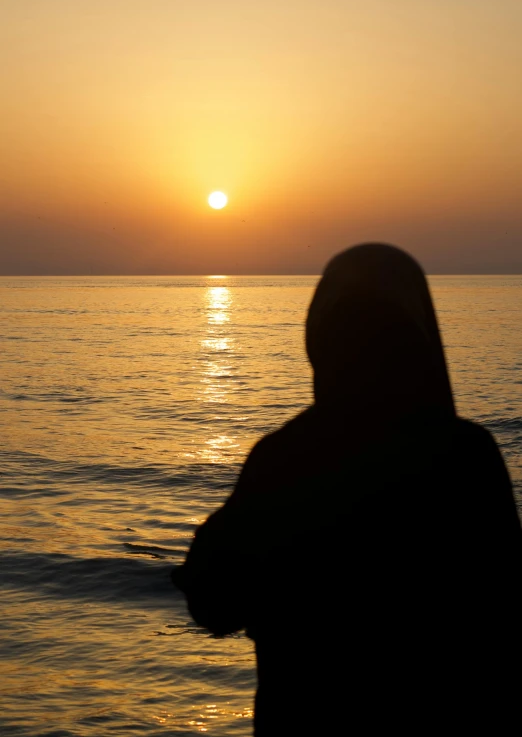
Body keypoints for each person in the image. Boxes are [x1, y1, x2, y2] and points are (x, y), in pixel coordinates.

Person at [172, 244, 521, 735]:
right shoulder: (467, 454)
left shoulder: (283, 458)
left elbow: (213, 604)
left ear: (321, 339)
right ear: (420, 336)